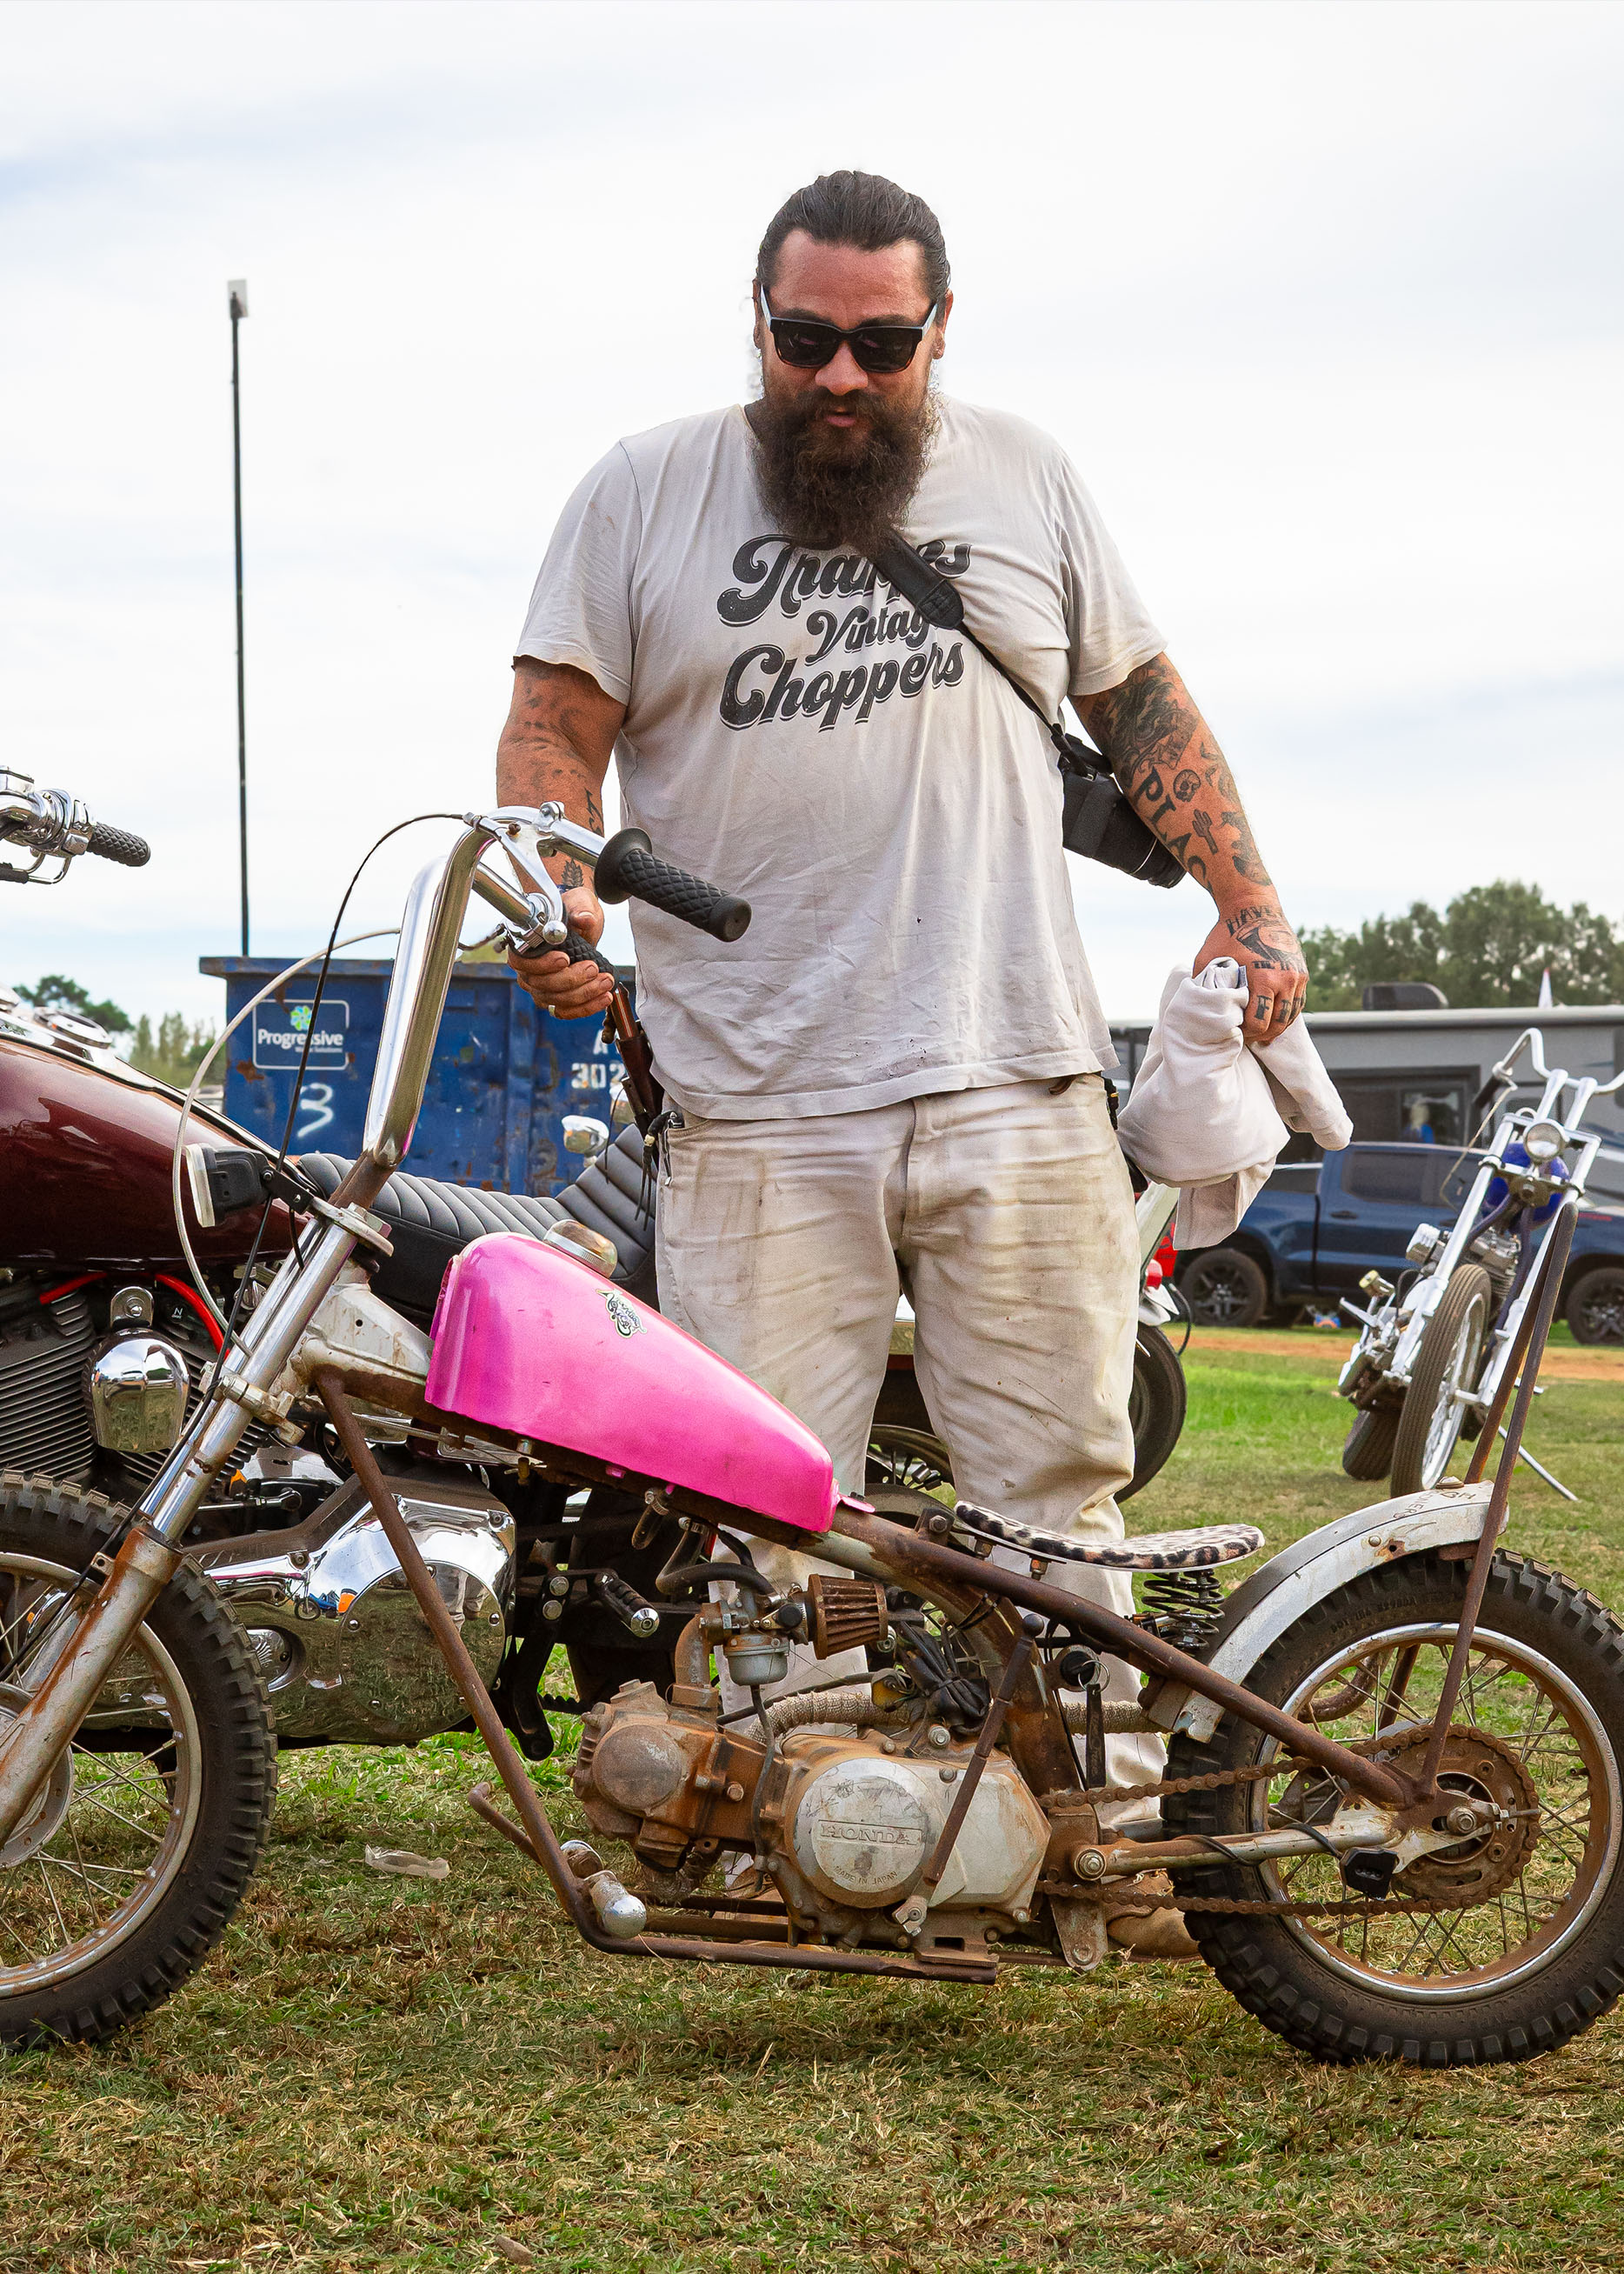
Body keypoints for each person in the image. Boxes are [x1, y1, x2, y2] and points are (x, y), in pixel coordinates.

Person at [496, 171, 1308, 1954]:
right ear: (759, 331)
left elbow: (1144, 710)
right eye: (804, 343)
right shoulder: (641, 490)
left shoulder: (1026, 475)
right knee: (759, 1514)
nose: (839, 380)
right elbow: (555, 727)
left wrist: (1249, 905)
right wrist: (549, 877)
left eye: (879, 343)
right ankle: (819, 1842)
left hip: (1013, 1076)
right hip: (752, 1096)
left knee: (1052, 1496)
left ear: (939, 334)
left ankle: (1091, 1848)